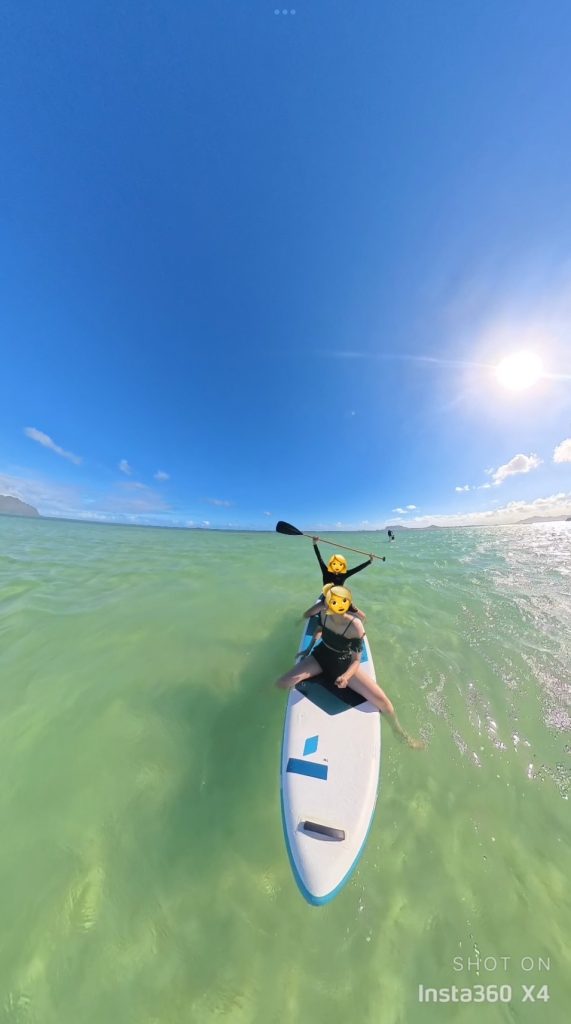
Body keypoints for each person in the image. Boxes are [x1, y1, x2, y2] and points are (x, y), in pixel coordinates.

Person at [278, 584, 424, 749]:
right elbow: (319, 629)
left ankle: (400, 734)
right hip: (320, 657)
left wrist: (346, 677)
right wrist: (308, 648)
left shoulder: (355, 626)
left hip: (343, 664)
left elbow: (356, 660)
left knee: (384, 703)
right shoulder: (324, 613)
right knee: (282, 682)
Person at [311, 539, 373, 620]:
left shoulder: (340, 573)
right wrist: (314, 544)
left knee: (363, 616)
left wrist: (369, 561)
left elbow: (357, 569)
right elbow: (319, 558)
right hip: (330, 600)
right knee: (362, 617)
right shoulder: (327, 571)